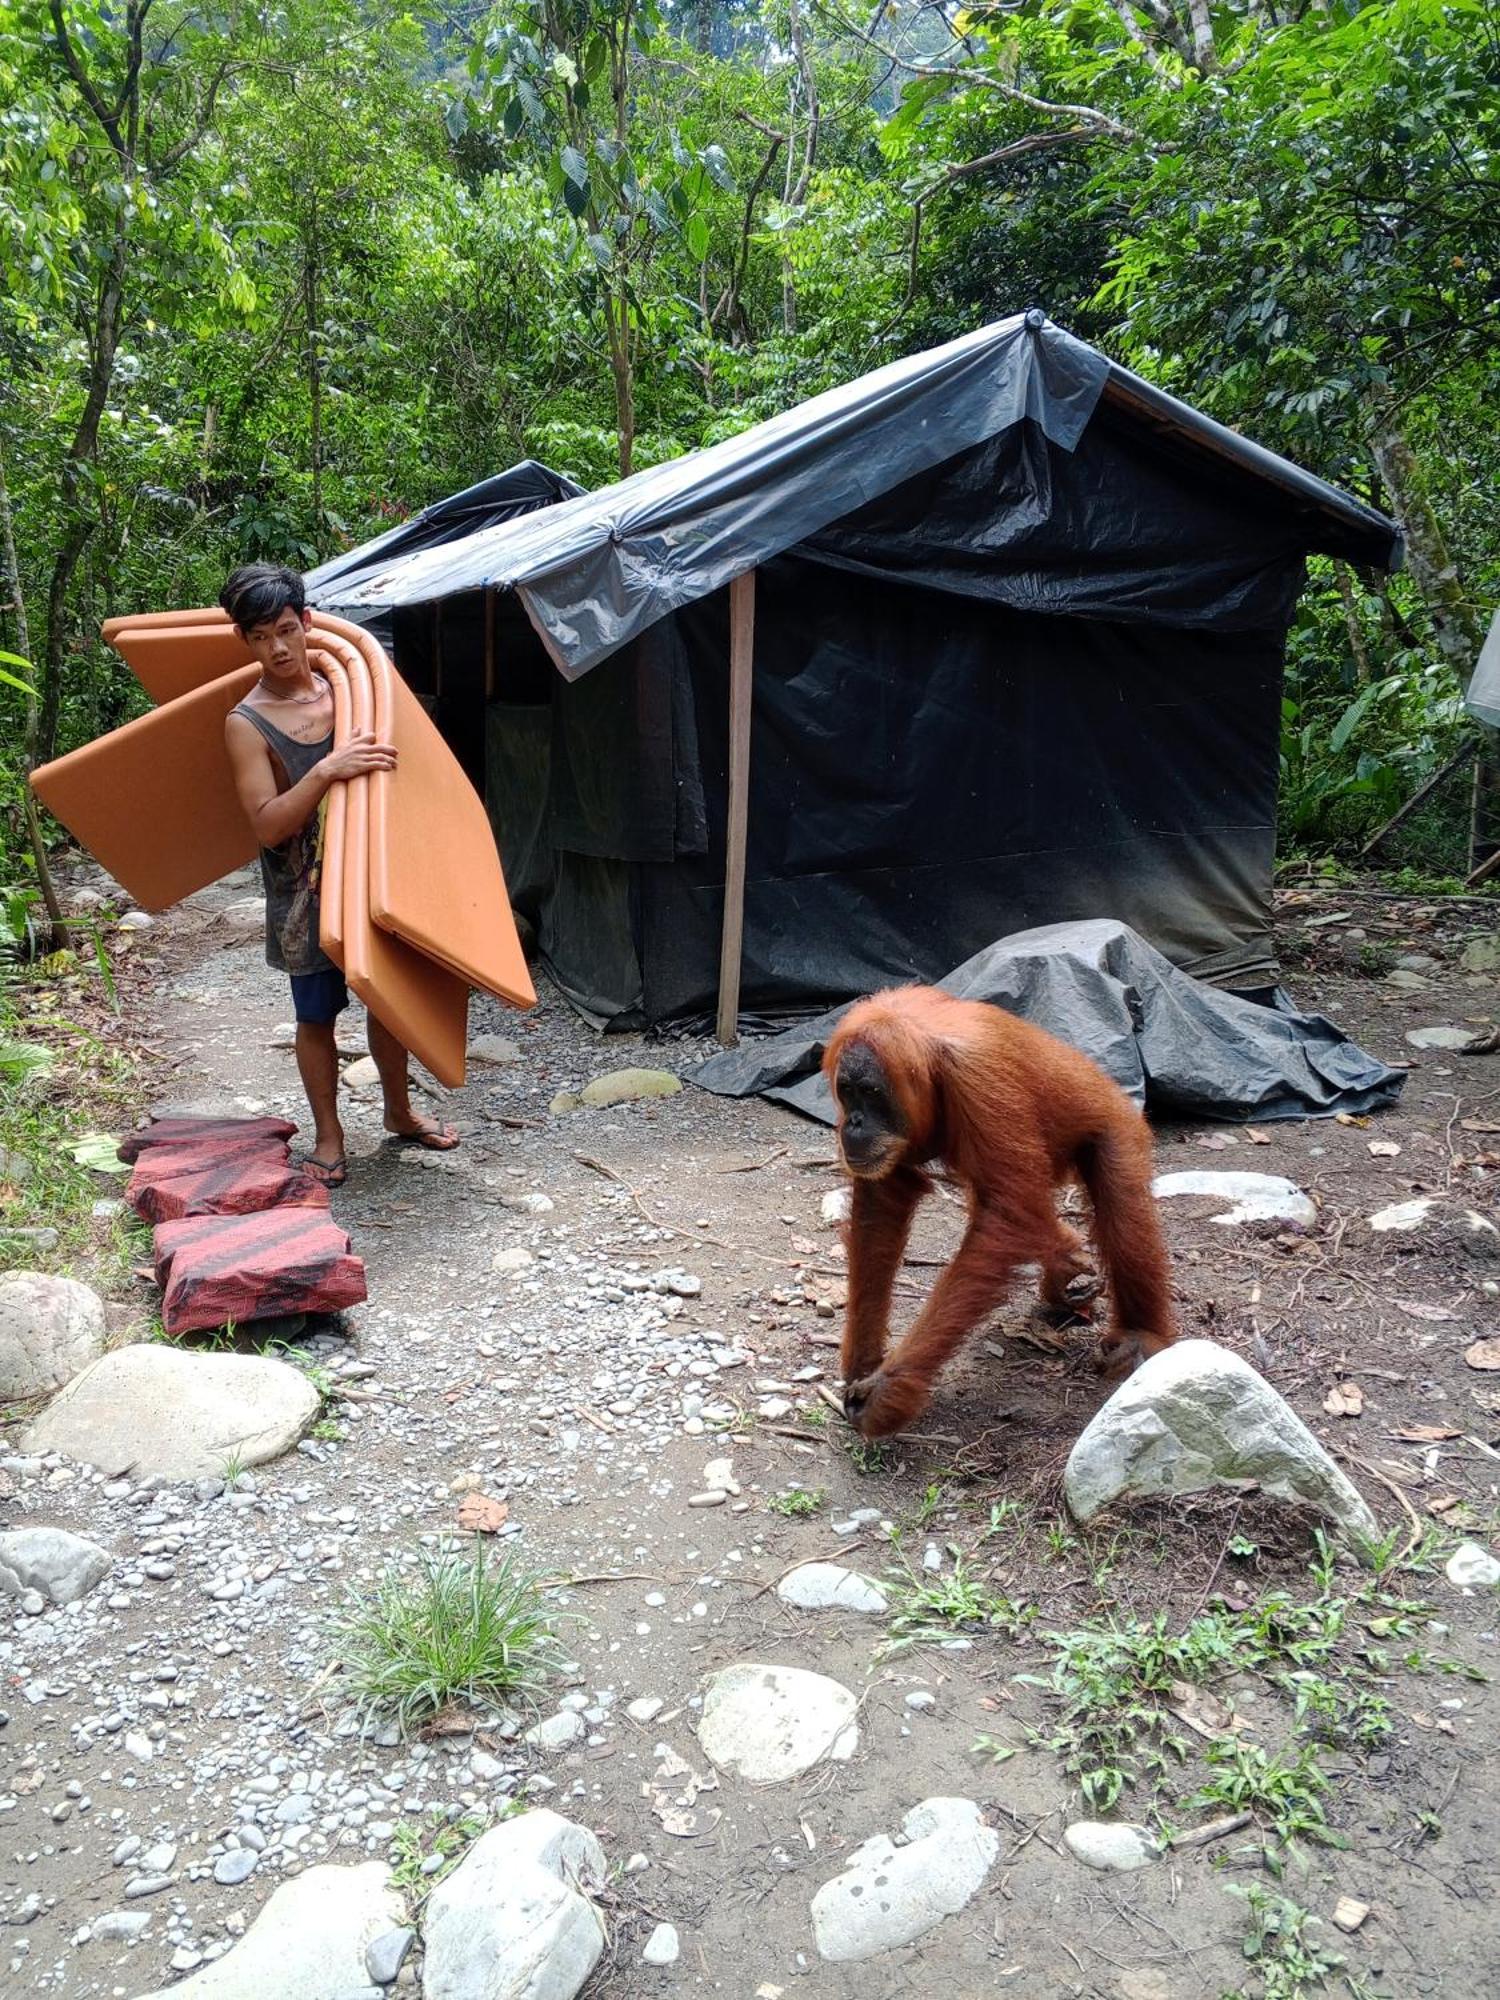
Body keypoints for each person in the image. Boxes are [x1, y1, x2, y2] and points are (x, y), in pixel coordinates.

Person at [221, 562, 458, 1186]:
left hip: (376, 877)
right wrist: (327, 770)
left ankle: (400, 1112)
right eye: (259, 637)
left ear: (306, 623)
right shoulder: (246, 724)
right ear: (244, 642)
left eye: (285, 629)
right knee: (317, 1013)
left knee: (389, 999)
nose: (276, 648)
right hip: (305, 893)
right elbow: (269, 826)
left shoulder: (353, 687)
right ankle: (329, 1138)